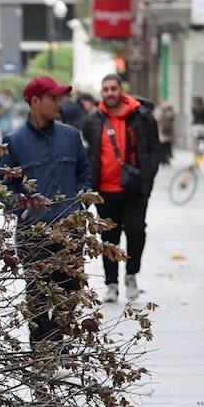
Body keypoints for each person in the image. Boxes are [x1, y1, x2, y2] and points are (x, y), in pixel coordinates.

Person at [0, 77, 89, 347]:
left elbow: (84, 174)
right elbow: (2, 185)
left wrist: (81, 202)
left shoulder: (71, 136)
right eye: (53, 98)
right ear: (35, 101)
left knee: (70, 293)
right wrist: (22, 206)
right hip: (33, 232)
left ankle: (58, 346)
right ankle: (41, 350)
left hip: (70, 231)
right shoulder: (14, 141)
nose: (59, 104)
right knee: (37, 294)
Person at [81, 74, 159, 302]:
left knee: (136, 231)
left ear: (121, 89)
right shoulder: (93, 120)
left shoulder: (142, 117)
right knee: (109, 239)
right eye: (105, 89)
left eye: (113, 88)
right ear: (102, 93)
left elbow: (154, 150)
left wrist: (148, 178)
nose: (110, 93)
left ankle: (132, 274)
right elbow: (88, 154)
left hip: (135, 189)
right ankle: (112, 284)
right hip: (105, 191)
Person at [156, 101, 176, 166]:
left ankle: (164, 160)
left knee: (162, 147)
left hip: (162, 131)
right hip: (168, 132)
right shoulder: (170, 112)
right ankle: (166, 159)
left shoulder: (159, 111)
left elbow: (156, 119)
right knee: (167, 147)